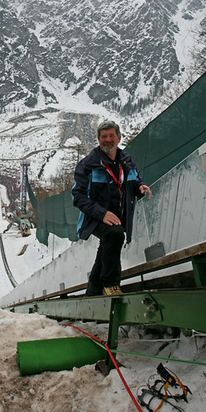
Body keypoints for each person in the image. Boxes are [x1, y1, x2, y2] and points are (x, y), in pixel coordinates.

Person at [72, 120, 151, 296]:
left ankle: (92, 291)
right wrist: (101, 213)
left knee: (108, 245)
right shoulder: (88, 165)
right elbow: (77, 196)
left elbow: (135, 178)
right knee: (114, 234)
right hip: (94, 217)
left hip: (118, 215)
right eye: (104, 137)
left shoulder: (127, 160)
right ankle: (111, 284)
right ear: (98, 139)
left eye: (111, 136)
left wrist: (141, 186)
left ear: (119, 138)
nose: (108, 140)